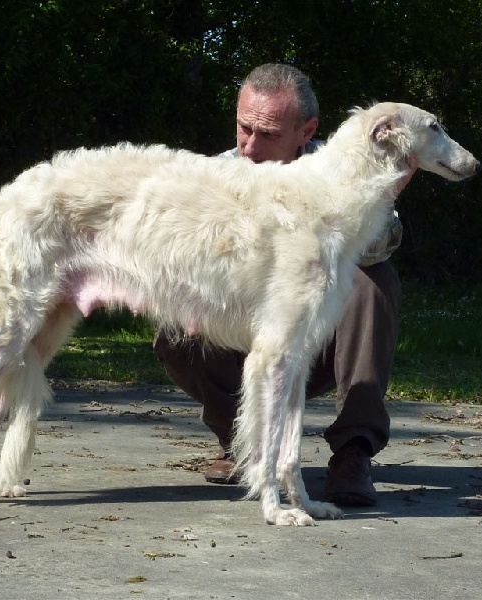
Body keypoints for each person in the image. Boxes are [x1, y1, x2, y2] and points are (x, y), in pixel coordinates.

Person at [153, 63, 416, 507]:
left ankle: (353, 451)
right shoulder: (217, 173)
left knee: (374, 280)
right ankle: (239, 444)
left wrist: (381, 197)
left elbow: (378, 247)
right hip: (241, 336)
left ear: (306, 131)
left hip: (322, 342)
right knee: (175, 327)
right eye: (243, 129)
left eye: (268, 134)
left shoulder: (346, 166)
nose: (250, 147)